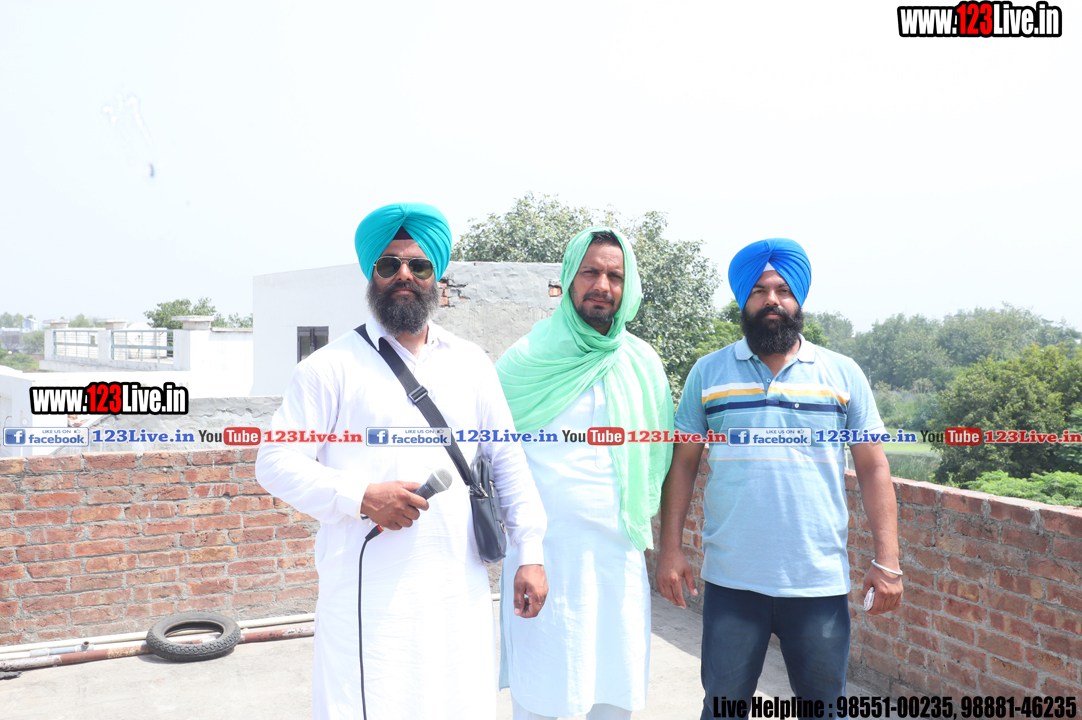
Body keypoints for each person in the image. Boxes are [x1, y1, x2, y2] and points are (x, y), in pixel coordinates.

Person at [255, 202, 549, 720]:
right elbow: (275, 461)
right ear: (372, 274)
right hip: (368, 598)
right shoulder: (329, 368)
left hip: (457, 587)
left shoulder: (471, 363)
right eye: (389, 264)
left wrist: (531, 552)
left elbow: (506, 461)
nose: (404, 275)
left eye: (419, 265)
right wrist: (361, 496)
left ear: (437, 276)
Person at [655, 238, 903, 715]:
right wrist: (670, 550)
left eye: (783, 290)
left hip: (817, 581)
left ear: (798, 299)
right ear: (743, 300)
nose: (772, 300)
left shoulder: (842, 373)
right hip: (732, 580)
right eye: (759, 290)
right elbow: (682, 465)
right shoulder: (708, 373)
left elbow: (874, 467)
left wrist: (888, 561)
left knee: (823, 709)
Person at [494, 227, 674, 720]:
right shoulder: (525, 360)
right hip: (543, 557)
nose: (602, 285)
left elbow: (660, 455)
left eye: (615, 276)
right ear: (569, 278)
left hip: (618, 556)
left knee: (612, 691)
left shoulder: (641, 363)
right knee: (544, 693)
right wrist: (523, 549)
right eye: (590, 272)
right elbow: (492, 456)